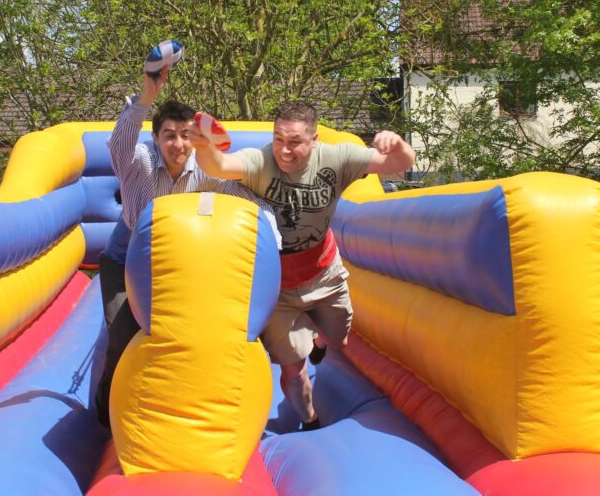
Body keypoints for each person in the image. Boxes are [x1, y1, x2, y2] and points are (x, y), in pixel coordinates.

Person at [189, 100, 415, 430]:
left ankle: (322, 343)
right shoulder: (261, 160)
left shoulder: (337, 159)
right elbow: (219, 165)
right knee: (293, 368)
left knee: (339, 337)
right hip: (277, 285)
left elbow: (398, 162)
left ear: (314, 139)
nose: (284, 150)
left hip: (323, 272)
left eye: (294, 141)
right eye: (279, 139)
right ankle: (311, 420)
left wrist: (397, 142)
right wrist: (203, 145)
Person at [94, 63, 279, 427]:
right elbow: (119, 142)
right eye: (168, 136)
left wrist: (271, 238)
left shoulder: (205, 168)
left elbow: (249, 202)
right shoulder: (137, 163)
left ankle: (173, 405)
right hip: (125, 255)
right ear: (156, 139)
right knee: (123, 333)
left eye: (184, 135)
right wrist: (147, 96)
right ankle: (106, 417)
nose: (177, 145)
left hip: (173, 258)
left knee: (179, 332)